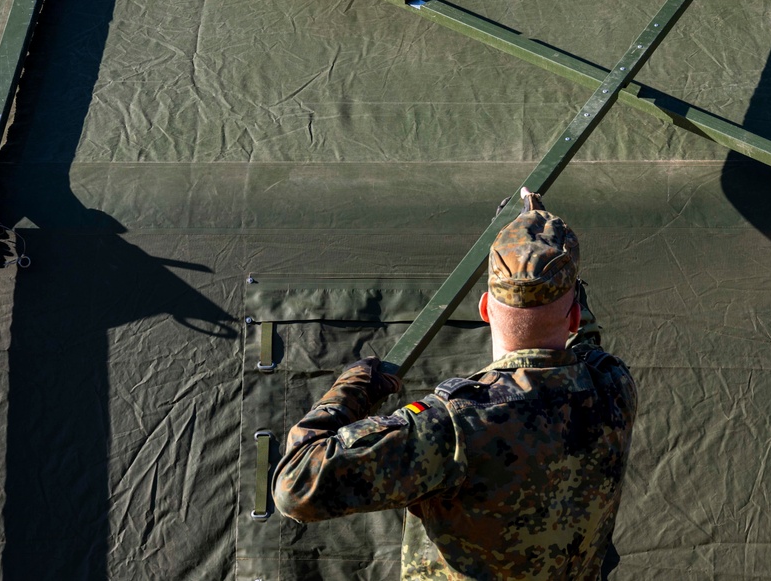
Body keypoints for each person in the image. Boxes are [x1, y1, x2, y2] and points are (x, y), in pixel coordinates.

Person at [273, 188, 638, 579]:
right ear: (573, 315)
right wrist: (539, 238)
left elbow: (295, 484)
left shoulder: (455, 427)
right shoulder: (612, 386)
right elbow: (585, 336)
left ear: (484, 308)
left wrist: (353, 388)